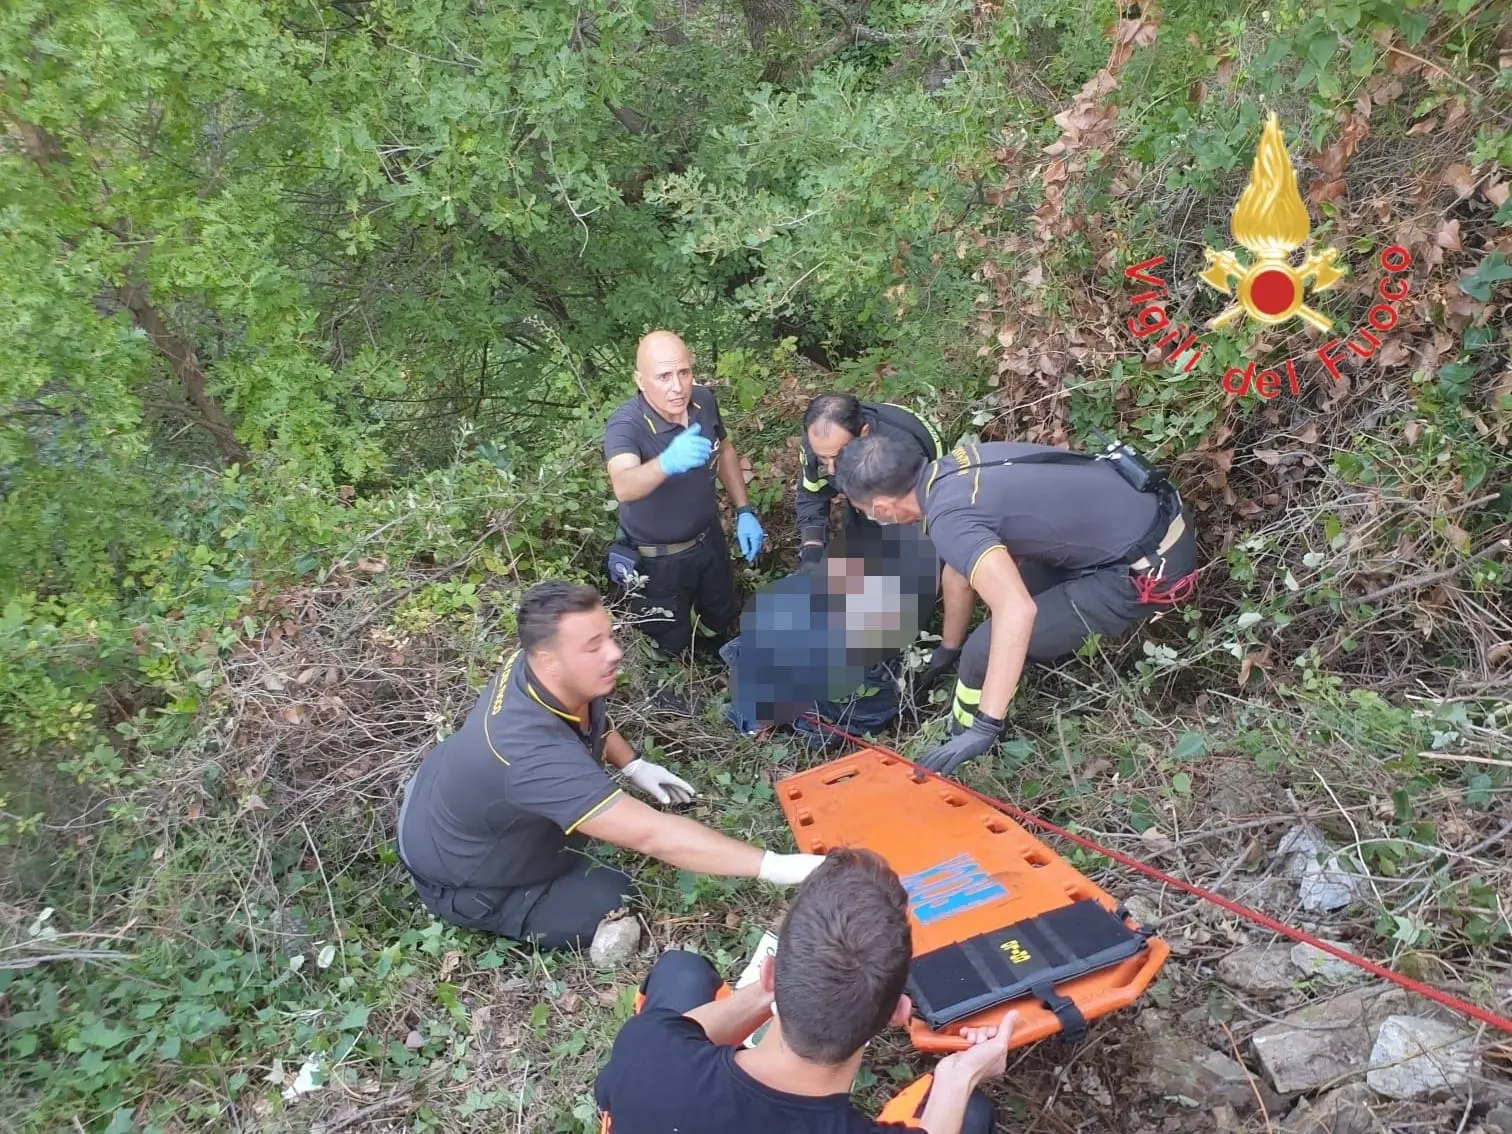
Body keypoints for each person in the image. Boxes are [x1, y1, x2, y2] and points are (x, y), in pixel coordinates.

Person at [395, 581, 824, 951]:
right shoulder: (530, 751)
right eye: (593, 646)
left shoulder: (547, 670)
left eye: (610, 636)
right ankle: (497, 907)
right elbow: (653, 835)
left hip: (446, 798)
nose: (614, 653)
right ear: (547, 659)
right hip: (461, 873)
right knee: (613, 894)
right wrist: (776, 866)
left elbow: (591, 718)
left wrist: (633, 763)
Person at [834, 433, 1198, 776]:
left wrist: (984, 724)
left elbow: (1016, 609)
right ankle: (992, 690)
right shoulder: (957, 466)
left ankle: (970, 740)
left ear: (883, 507)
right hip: (1146, 522)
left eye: (869, 512)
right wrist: (947, 650)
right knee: (988, 635)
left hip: (1148, 568)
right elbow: (960, 575)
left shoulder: (949, 517)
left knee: (983, 650)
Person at [594, 848, 1011, 1133]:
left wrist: (770, 992)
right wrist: (961, 1075)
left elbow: (676, 1034)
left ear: (770, 971)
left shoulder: (647, 1045)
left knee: (681, 972)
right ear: (894, 1015)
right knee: (968, 1114)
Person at [603, 331, 766, 658]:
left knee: (719, 616)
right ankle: (678, 687)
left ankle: (716, 658)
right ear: (640, 379)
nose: (677, 387)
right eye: (663, 376)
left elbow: (725, 448)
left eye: (684, 372)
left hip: (709, 541)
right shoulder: (626, 424)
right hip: (659, 560)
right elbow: (623, 484)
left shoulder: (703, 400)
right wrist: (666, 462)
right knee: (666, 638)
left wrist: (744, 510)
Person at [796, 394, 944, 568]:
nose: (831, 470)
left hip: (918, 506)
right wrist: (812, 551)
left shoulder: (903, 454)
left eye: (837, 457)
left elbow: (920, 517)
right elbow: (812, 496)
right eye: (823, 458)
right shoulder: (819, 443)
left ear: (864, 434)